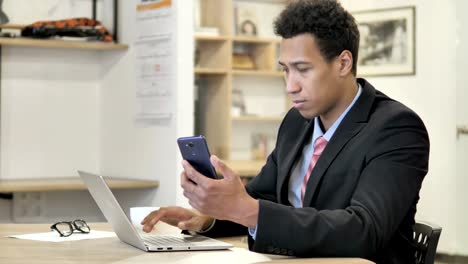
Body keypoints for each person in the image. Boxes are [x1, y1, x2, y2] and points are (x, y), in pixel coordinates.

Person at [141, 0, 429, 263]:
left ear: (343, 63)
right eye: (285, 70)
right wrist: (208, 217)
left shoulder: (396, 128)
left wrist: (245, 209)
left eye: (302, 69)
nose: (290, 85)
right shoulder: (296, 122)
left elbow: (364, 231)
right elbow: (260, 201)